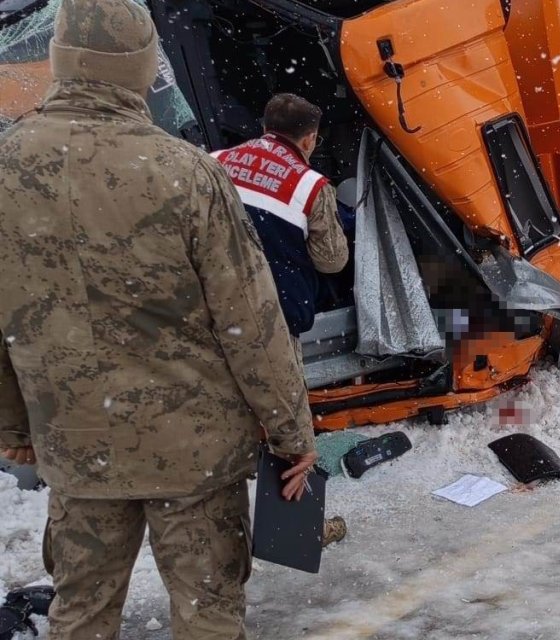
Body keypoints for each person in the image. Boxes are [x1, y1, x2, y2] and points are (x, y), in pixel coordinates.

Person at [0, 1, 318, 637]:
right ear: (143, 69)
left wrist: (14, 424)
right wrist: (291, 433)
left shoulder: (7, 168)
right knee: (208, 614)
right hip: (194, 455)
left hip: (78, 443)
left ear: (61, 61)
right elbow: (251, 325)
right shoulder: (186, 173)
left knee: (80, 613)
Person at [214, 93, 349, 337]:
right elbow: (332, 261)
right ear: (309, 141)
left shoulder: (214, 161)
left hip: (214, 302)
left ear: (265, 127)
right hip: (274, 318)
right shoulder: (312, 186)